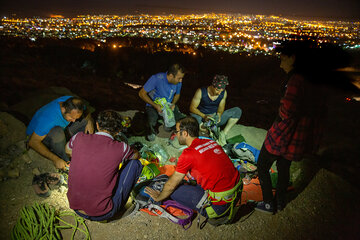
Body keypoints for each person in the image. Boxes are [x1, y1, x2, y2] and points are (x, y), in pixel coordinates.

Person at [255, 41, 330, 214]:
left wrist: (279, 112)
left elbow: (287, 110)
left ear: (293, 58)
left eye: (283, 59)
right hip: (298, 136)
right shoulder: (312, 79)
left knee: (262, 164)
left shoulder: (296, 80)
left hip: (284, 133)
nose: (281, 64)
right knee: (283, 168)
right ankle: (280, 202)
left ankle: (268, 203)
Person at [145, 116, 241, 225]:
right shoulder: (210, 142)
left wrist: (159, 197)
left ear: (185, 133)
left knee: (173, 190)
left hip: (219, 206)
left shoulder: (188, 154)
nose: (175, 135)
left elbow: (171, 185)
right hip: (235, 194)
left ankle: (217, 216)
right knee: (186, 182)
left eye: (176, 132)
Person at [66, 110, 143, 221]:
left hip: (75, 207)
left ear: (97, 125)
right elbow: (136, 156)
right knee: (135, 164)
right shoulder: (121, 147)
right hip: (102, 213)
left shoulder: (78, 137)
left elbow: (67, 150)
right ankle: (119, 209)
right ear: (118, 132)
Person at [26, 96, 94, 170]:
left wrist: (89, 121)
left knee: (84, 122)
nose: (74, 120)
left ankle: (83, 150)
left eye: (75, 118)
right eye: (71, 117)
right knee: (57, 133)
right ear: (63, 109)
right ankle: (66, 160)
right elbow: (32, 142)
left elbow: (85, 109)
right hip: (41, 137)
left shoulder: (73, 103)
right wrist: (55, 159)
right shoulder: (49, 119)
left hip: (62, 128)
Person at [189, 75, 242, 146]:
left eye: (221, 90)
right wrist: (204, 116)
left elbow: (220, 109)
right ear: (212, 86)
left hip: (213, 116)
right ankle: (206, 129)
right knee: (194, 117)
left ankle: (223, 133)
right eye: (217, 90)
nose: (219, 93)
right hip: (201, 116)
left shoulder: (223, 93)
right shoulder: (201, 92)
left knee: (237, 111)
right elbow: (192, 108)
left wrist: (219, 115)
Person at [138, 63, 186, 141]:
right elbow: (141, 93)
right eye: (179, 78)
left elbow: (177, 95)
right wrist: (155, 105)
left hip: (168, 105)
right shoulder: (156, 78)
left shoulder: (178, 82)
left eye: (182, 78)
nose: (181, 80)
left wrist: (173, 103)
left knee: (179, 121)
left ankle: (166, 125)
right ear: (171, 76)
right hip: (153, 105)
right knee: (152, 121)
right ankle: (152, 131)